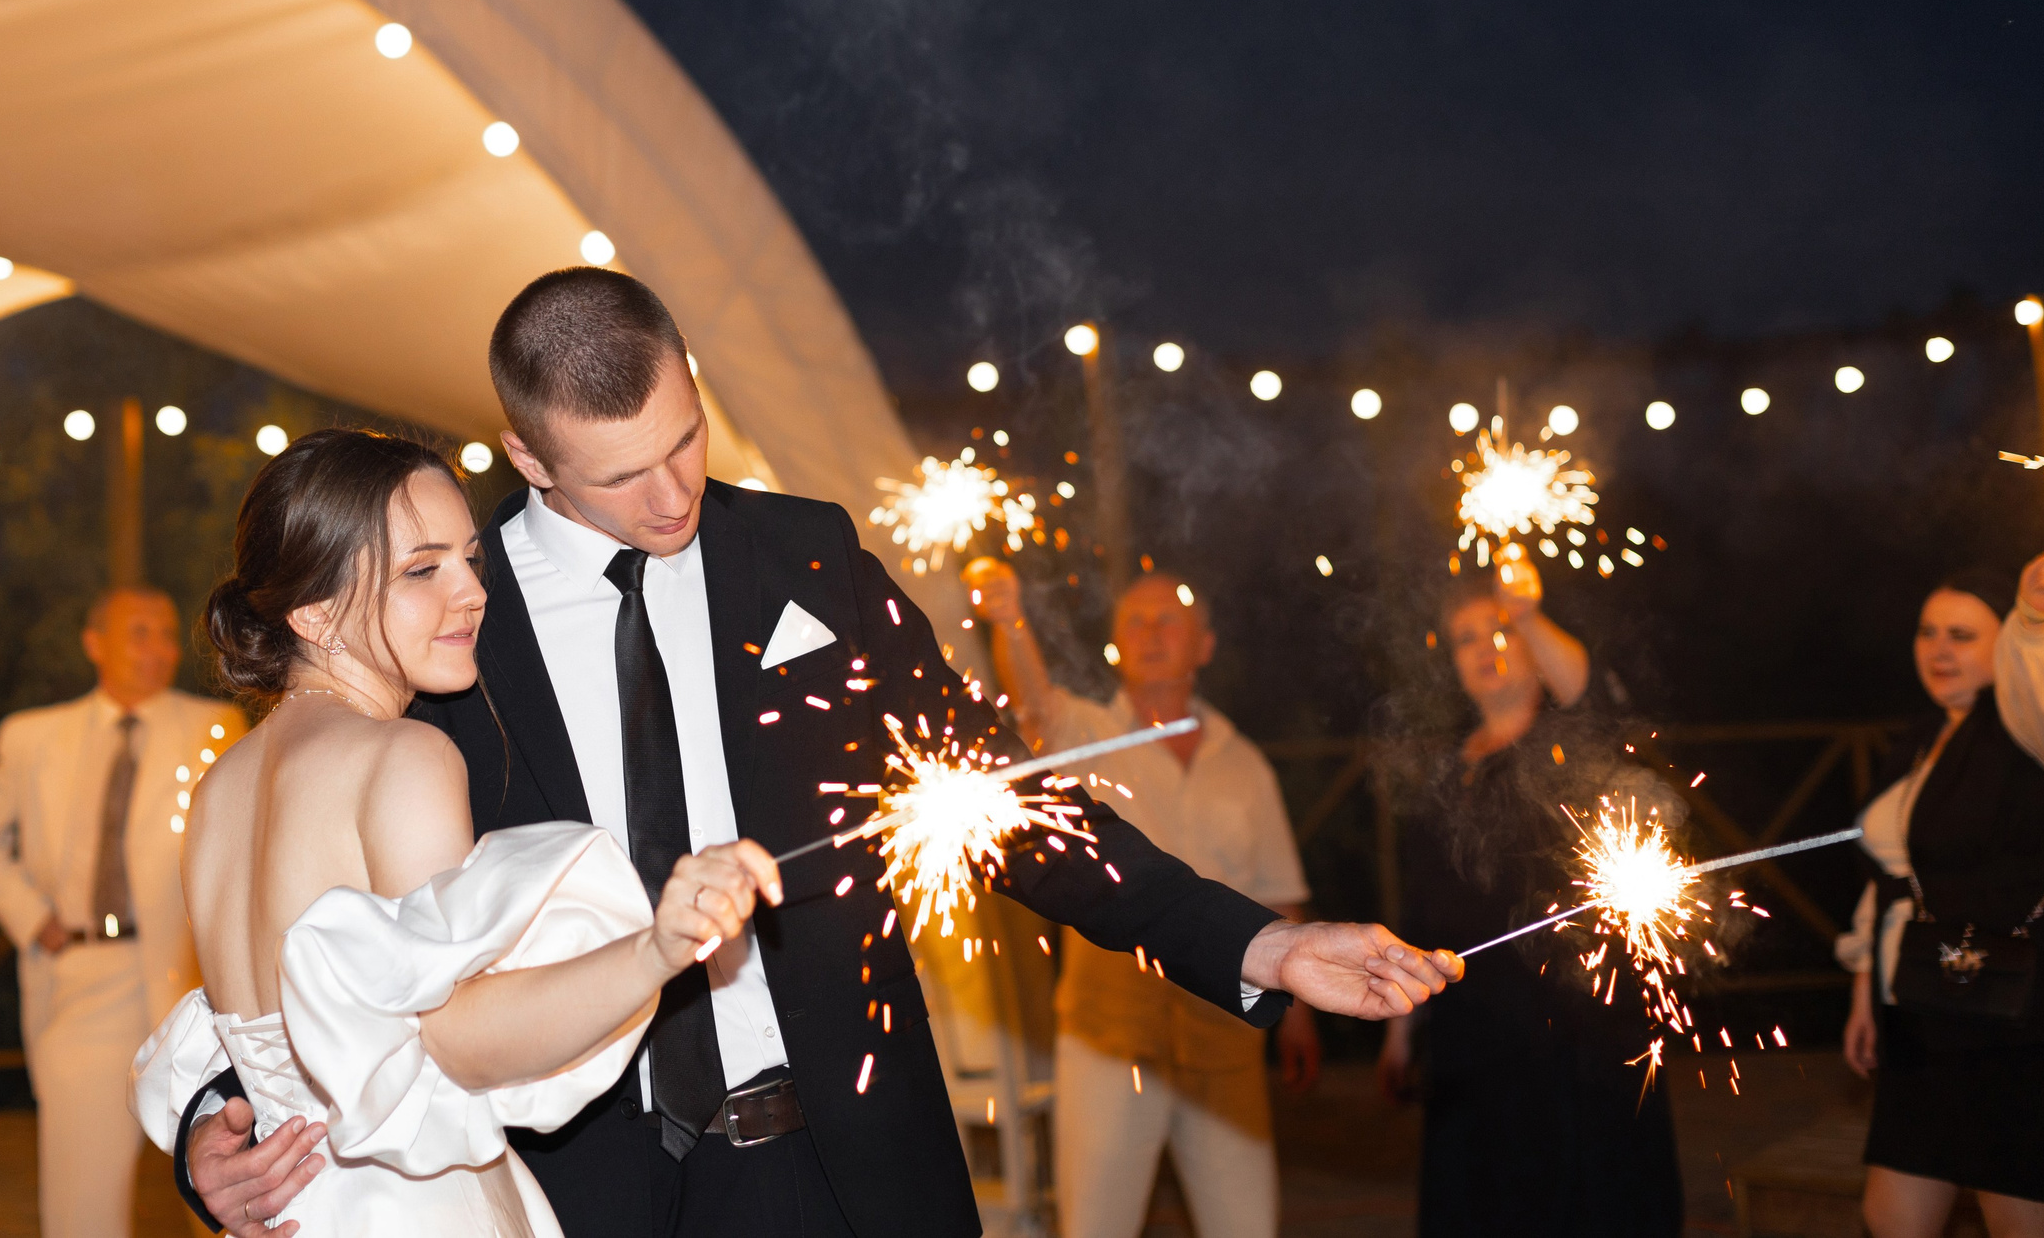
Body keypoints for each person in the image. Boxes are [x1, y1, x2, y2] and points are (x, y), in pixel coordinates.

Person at [180, 267, 1462, 1238]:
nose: (673, 497)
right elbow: (311, 914)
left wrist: (1262, 944)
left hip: (846, 1161)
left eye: (684, 438)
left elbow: (996, 797)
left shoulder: (800, 555)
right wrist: (204, 1123)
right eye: (621, 475)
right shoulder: (448, 622)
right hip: (587, 1189)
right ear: (526, 454)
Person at [131, 427, 777, 1235]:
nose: (471, 591)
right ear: (314, 610)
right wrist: (655, 951)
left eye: (471, 559)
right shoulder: (404, 755)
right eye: (421, 569)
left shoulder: (221, 788)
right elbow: (460, 1036)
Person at [967, 557, 1320, 1238]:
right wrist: (1010, 617)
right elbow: (1034, 705)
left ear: (1204, 645)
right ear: (1116, 642)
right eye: (1135, 618)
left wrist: (1299, 1020)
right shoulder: (1091, 733)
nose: (1152, 630)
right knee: (1096, 1224)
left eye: (1169, 618)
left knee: (1247, 1225)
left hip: (1225, 1037)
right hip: (1110, 1037)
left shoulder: (1244, 763)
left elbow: (1279, 892)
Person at [1379, 560, 1683, 1237]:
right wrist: (1401, 1029)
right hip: (1471, 1032)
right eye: (1466, 637)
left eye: (1499, 631)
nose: (1486, 648)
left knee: (1583, 1202)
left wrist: (1524, 610)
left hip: (1575, 1028)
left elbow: (1590, 691)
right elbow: (1423, 905)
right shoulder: (1446, 767)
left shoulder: (1571, 741)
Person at [0, 587, 243, 1238]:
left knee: (227, 1191)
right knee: (81, 1199)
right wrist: (32, 917)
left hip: (190, 986)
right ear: (95, 643)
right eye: (139, 632)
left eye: (168, 634)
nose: (159, 648)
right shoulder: (34, 737)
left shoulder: (212, 726)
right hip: (82, 980)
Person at [1836, 549, 2044, 1238]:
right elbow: (1896, 874)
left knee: (2018, 1214)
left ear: (2011, 644)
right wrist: (1866, 981)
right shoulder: (1924, 734)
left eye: (1962, 635)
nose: (1939, 649)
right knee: (1890, 1215)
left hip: (2018, 1017)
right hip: (1925, 1004)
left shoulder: (2036, 730)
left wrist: (2034, 616)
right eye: (1928, 631)